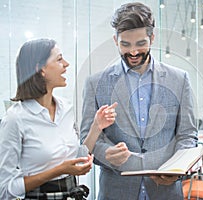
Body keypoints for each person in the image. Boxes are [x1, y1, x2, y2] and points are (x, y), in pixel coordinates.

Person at [80, 2, 198, 200]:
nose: (133, 52)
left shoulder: (179, 79)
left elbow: (187, 135)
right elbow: (88, 139)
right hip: (116, 192)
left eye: (141, 43)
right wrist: (106, 153)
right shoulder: (95, 83)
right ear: (115, 40)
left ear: (152, 38)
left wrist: (176, 169)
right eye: (125, 44)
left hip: (166, 192)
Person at [0, 38, 117, 199]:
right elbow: (5, 189)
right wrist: (60, 170)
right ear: (41, 69)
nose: (66, 64)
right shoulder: (15, 119)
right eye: (59, 59)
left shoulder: (66, 108)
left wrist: (97, 126)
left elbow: (76, 157)